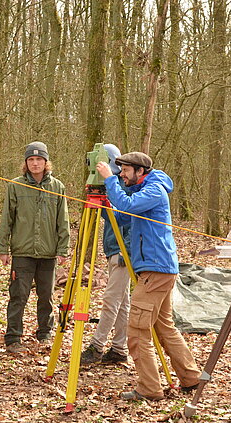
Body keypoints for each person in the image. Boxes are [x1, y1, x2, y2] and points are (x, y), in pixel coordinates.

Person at [96, 152, 200, 400]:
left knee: (137, 330)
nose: (121, 175)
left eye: (125, 171)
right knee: (164, 328)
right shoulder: (143, 191)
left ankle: (149, 388)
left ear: (140, 171)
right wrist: (104, 203)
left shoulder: (154, 191)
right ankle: (191, 377)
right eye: (120, 171)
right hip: (156, 268)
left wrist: (109, 180)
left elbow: (127, 206)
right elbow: (122, 216)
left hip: (155, 269)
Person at [0, 141, 70, 354]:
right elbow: (6, 219)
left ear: (46, 162)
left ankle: (45, 333)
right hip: (22, 251)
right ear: (26, 162)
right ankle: (13, 337)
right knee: (18, 296)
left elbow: (63, 221)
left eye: (39, 159)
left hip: (48, 252)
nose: (35, 163)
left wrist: (63, 249)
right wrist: (3, 249)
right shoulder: (15, 186)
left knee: (46, 295)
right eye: (31, 159)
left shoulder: (57, 187)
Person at [80, 144, 132, 367]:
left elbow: (129, 219)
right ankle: (119, 348)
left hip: (122, 252)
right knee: (122, 302)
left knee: (111, 300)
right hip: (113, 249)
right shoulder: (112, 187)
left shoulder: (123, 187)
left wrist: (124, 250)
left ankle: (97, 346)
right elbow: (110, 218)